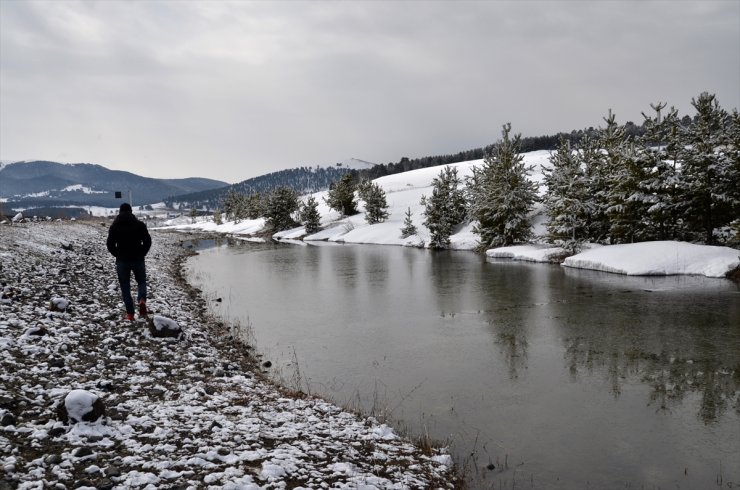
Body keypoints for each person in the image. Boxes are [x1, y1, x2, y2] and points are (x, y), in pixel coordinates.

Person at [106, 203, 152, 321]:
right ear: (131, 212)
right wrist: (142, 253)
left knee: (125, 286)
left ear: (120, 212)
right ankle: (141, 299)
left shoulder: (115, 226)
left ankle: (130, 314)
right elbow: (147, 241)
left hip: (122, 261)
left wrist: (117, 254)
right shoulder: (139, 225)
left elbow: (110, 244)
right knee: (141, 281)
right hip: (138, 259)